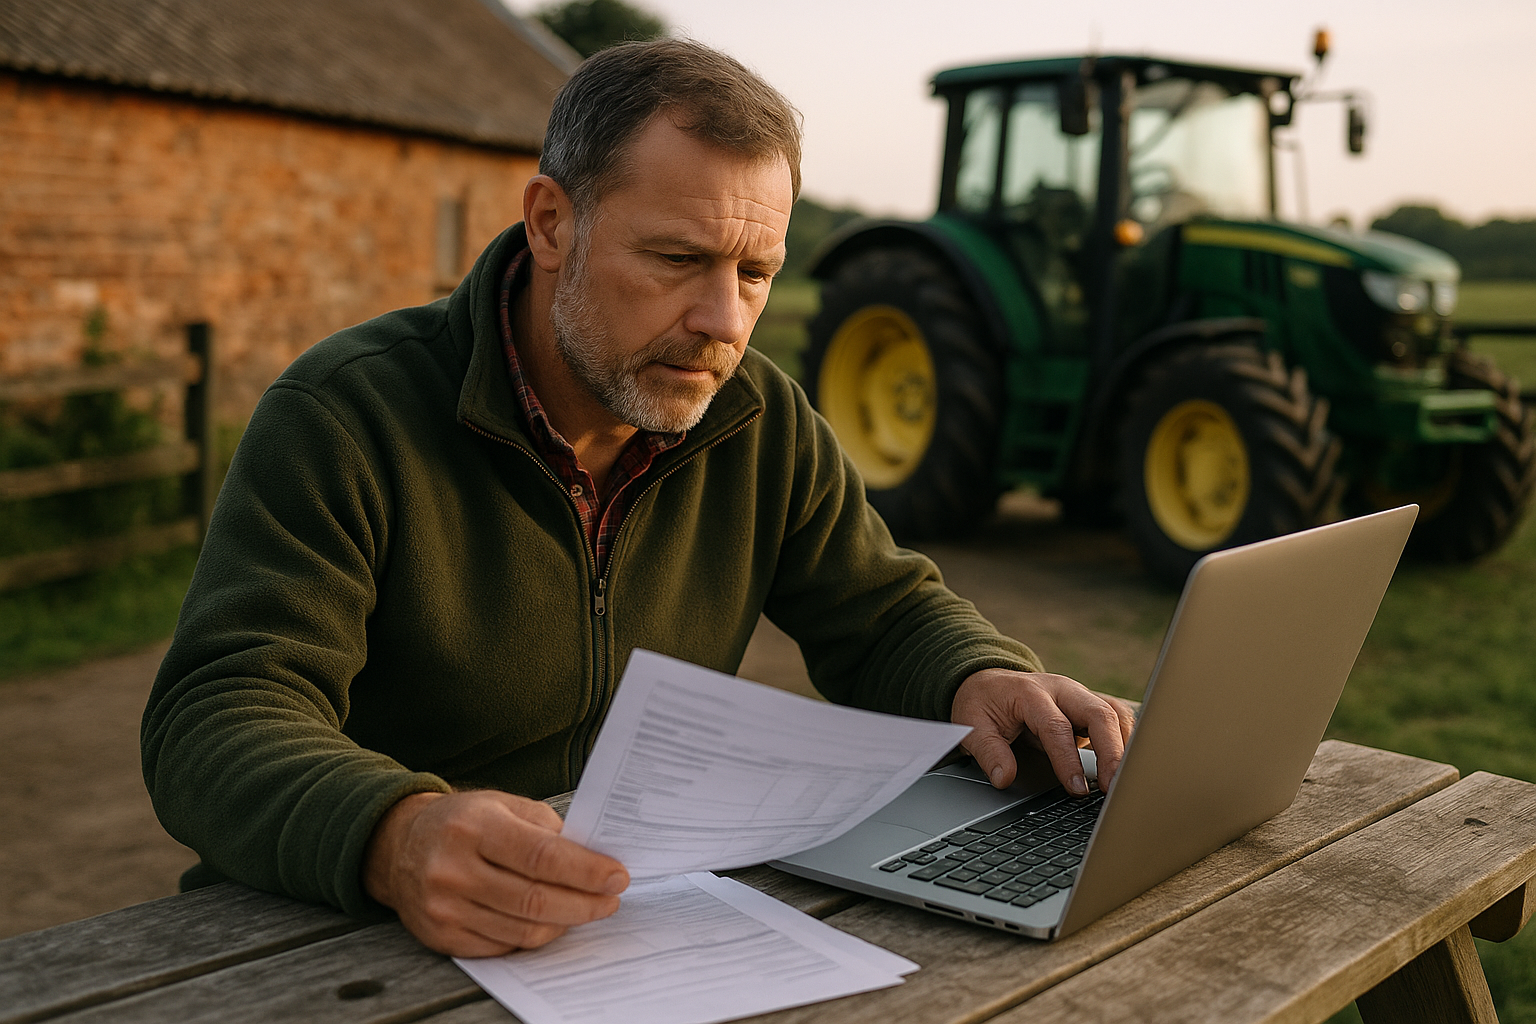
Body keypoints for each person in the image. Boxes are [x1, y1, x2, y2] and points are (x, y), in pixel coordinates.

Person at [142, 39, 1135, 959]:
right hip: (326, 944)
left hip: (617, 936)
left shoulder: (757, 417)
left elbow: (880, 610)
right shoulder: (346, 415)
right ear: (550, 224)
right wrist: (392, 833)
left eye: (756, 273)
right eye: (677, 261)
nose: (723, 321)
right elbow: (215, 714)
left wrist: (979, 673)